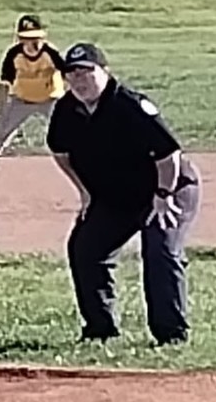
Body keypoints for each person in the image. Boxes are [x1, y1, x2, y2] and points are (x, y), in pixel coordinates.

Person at [46, 42, 202, 346]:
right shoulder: (67, 109)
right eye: (72, 74)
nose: (78, 80)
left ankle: (171, 335)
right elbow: (60, 151)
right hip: (115, 195)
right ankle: (99, 330)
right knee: (86, 248)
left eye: (86, 72)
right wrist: (85, 193)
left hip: (167, 187)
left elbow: (168, 154)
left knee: (160, 250)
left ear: (105, 71)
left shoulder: (129, 105)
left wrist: (163, 194)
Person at [0, 14, 66, 160]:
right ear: (20, 39)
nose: (32, 42)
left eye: (35, 38)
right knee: (0, 132)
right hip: (22, 100)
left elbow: (69, 76)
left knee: (67, 129)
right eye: (27, 38)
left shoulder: (50, 53)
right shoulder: (14, 55)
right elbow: (4, 85)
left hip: (51, 99)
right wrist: (3, 111)